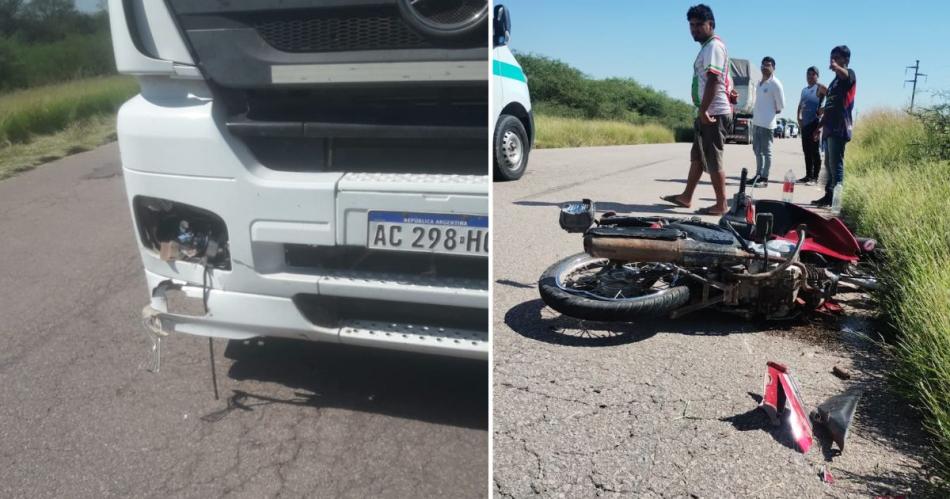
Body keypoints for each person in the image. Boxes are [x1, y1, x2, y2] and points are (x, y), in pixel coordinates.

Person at [661, 4, 733, 215]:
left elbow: (713, 80)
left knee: (712, 158)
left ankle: (721, 204)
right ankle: (686, 197)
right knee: (698, 157)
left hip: (713, 113)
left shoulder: (713, 47)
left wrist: (704, 110)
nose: (694, 29)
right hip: (710, 110)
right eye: (691, 25)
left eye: (699, 25)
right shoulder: (708, 48)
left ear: (711, 24)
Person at [812, 46, 856, 207]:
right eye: (831, 57)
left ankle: (836, 201)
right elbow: (829, 107)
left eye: (837, 57)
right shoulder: (834, 83)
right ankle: (828, 196)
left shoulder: (849, 74)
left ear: (846, 59)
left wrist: (837, 67)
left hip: (840, 127)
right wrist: (819, 127)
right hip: (829, 127)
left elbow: (846, 75)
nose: (833, 61)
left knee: (836, 164)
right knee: (828, 164)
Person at [746, 56, 785, 187]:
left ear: (773, 68)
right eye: (763, 65)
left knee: (766, 151)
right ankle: (758, 175)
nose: (764, 67)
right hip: (756, 122)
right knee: (757, 150)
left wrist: (772, 112)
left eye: (768, 65)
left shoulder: (775, 84)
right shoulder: (759, 82)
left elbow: (781, 105)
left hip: (767, 124)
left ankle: (764, 178)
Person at [797, 67, 826, 185]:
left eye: (813, 74)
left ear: (817, 76)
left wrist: (823, 109)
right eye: (808, 74)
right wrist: (798, 117)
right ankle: (808, 175)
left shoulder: (820, 87)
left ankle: (815, 177)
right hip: (805, 124)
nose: (810, 76)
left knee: (814, 151)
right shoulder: (804, 90)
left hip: (815, 123)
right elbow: (800, 105)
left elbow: (833, 98)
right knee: (806, 151)